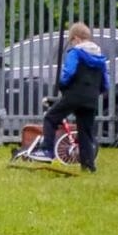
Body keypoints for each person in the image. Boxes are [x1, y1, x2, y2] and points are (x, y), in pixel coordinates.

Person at [35, 22, 109, 172]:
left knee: (51, 117)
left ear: (76, 38)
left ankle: (47, 151)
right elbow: (106, 83)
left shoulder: (75, 53)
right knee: (86, 131)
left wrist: (62, 86)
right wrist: (95, 92)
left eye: (71, 40)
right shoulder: (100, 57)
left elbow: (68, 73)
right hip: (91, 98)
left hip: (74, 94)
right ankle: (88, 165)